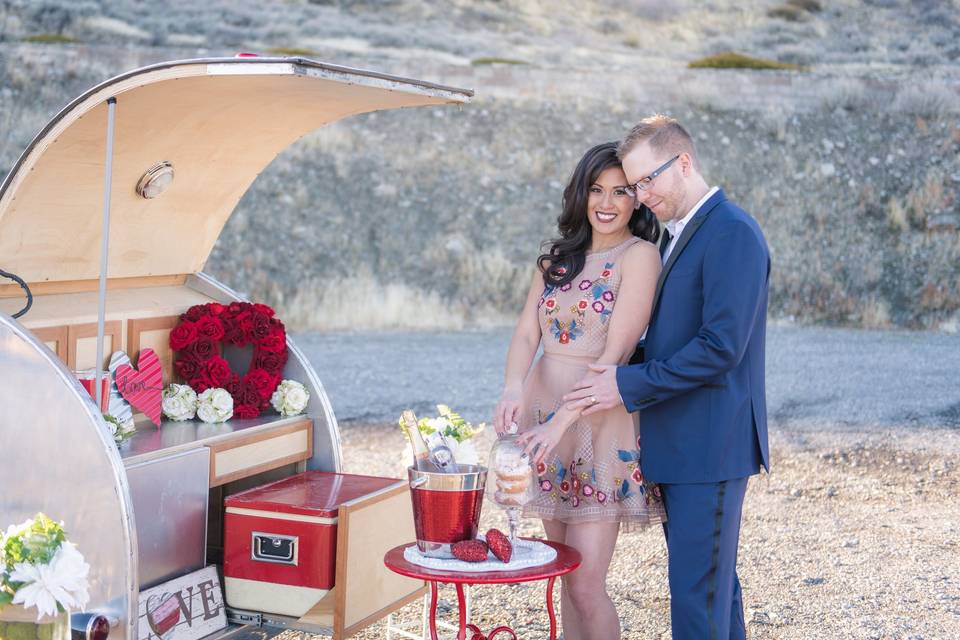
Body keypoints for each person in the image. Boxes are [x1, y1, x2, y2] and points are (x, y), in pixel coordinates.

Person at [563, 114, 770, 640]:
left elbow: (721, 348)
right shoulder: (681, 236)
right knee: (713, 595)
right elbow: (672, 340)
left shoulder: (732, 232)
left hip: (710, 448)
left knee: (696, 606)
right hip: (682, 447)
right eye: (634, 185)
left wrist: (625, 385)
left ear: (684, 163)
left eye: (647, 180)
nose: (641, 195)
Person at [494, 142, 666, 640]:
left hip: (596, 422)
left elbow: (614, 356)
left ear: (637, 199)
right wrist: (511, 389)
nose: (607, 202)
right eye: (596, 189)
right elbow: (528, 333)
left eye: (621, 191)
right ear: (581, 194)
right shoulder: (556, 259)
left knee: (588, 583)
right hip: (543, 420)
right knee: (565, 575)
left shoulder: (639, 256)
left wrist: (560, 423)